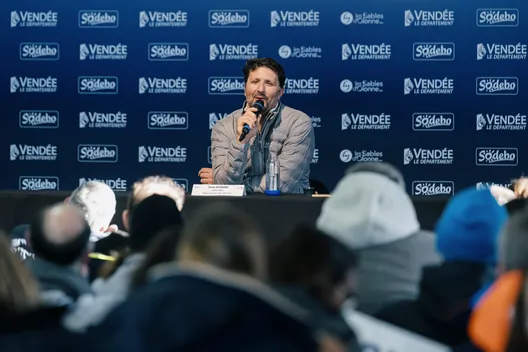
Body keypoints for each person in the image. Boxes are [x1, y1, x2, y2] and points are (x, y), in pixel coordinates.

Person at [204, 57, 315, 194]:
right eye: (255, 82)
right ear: (245, 88)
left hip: (286, 210)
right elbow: (224, 185)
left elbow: (282, 184)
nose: (260, 89)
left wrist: (239, 186)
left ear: (280, 92)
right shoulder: (223, 126)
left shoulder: (298, 122)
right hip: (238, 211)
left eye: (268, 83)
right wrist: (240, 141)